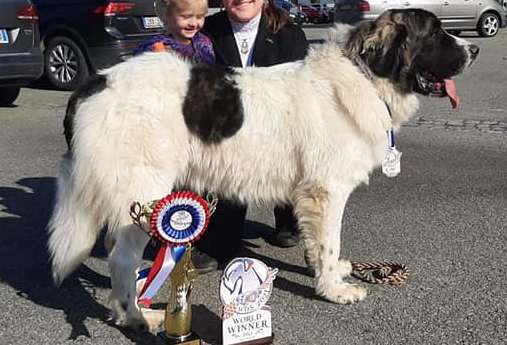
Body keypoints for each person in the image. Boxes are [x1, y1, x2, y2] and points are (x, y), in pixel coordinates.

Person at [192, 0, 309, 271]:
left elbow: (303, 97)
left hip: (280, 128)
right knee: (223, 247)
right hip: (228, 130)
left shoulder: (290, 34)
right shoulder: (206, 33)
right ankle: (218, 231)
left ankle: (289, 217)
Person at [133, 0, 214, 65]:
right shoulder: (157, 46)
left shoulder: (203, 42)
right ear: (167, 16)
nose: (193, 23)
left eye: (199, 17)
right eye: (186, 17)